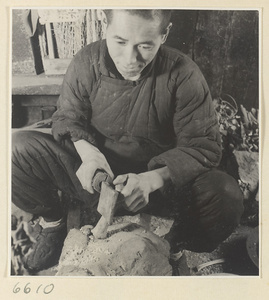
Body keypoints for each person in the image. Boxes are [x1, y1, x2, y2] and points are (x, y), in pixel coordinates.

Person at [12, 9, 244, 272]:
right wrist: (89, 155)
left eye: (145, 46)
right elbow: (68, 118)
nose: (130, 59)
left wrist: (151, 180)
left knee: (226, 197)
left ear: (164, 34)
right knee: (14, 150)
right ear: (104, 25)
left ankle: (171, 246)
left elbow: (203, 146)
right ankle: (54, 224)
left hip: (156, 187)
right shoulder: (86, 61)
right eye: (120, 42)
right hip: (95, 179)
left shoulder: (184, 74)